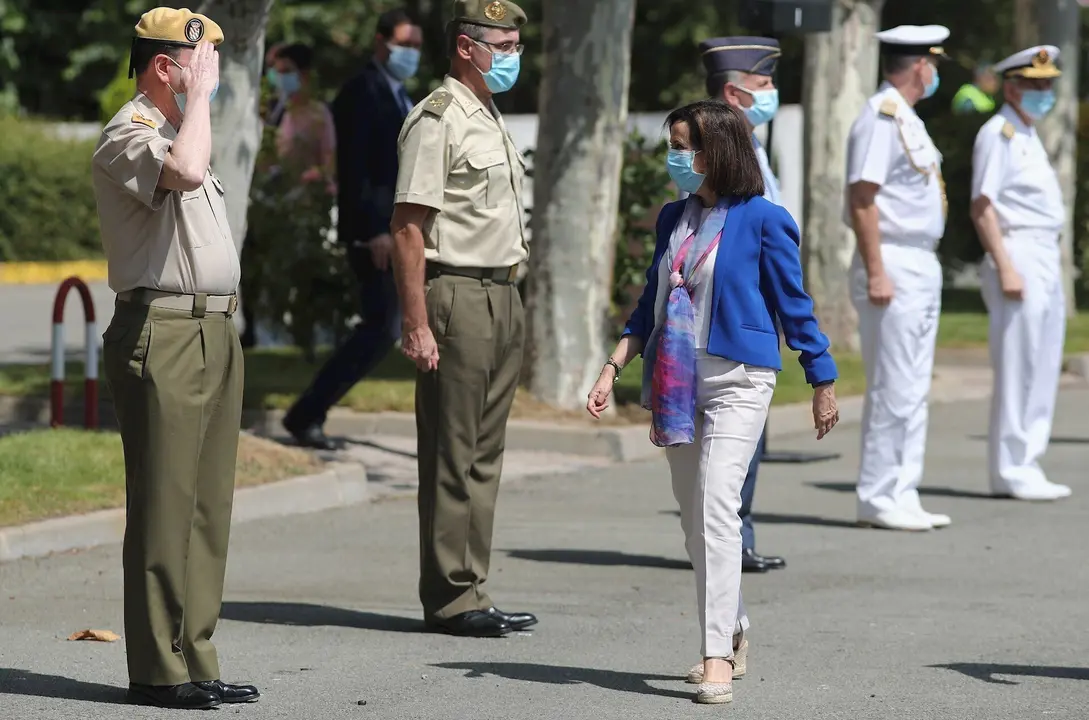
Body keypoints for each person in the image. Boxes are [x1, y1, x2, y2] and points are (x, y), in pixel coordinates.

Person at [587, 100, 839, 705]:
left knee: (717, 510)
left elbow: (793, 305)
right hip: (677, 384)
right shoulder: (673, 216)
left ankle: (715, 655)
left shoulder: (763, 219)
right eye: (673, 143)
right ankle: (735, 623)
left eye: (684, 146)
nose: (675, 156)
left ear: (717, 152)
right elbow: (650, 300)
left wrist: (822, 378)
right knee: (695, 522)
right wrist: (613, 365)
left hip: (739, 380)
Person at [91, 7, 258, 709]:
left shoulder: (173, 129)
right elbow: (186, 173)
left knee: (206, 511)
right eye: (203, 64)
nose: (212, 80)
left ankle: (198, 658)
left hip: (214, 333)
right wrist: (199, 102)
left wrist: (194, 106)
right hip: (163, 332)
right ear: (167, 66)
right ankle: (158, 670)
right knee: (165, 509)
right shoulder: (129, 136)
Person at [391, 0, 535, 638]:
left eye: (515, 45)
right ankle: (450, 597)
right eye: (501, 45)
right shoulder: (438, 118)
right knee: (454, 454)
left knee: (485, 455)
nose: (512, 56)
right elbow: (407, 229)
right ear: (465, 48)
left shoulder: (488, 114)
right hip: (459, 295)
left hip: (503, 293)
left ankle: (474, 587)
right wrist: (417, 323)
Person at [283, 9, 423, 449]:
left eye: (417, 46)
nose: (411, 54)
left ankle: (307, 413)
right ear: (380, 42)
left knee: (393, 325)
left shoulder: (399, 92)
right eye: (404, 44)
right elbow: (358, 169)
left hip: (400, 231)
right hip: (376, 234)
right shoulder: (362, 92)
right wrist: (372, 230)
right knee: (381, 327)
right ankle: (306, 414)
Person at [845, 25, 952, 532]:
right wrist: (876, 270)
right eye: (933, 64)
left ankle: (902, 489)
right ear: (919, 66)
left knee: (912, 386)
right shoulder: (880, 117)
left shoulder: (905, 118)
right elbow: (862, 197)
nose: (934, 74)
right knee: (893, 385)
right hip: (891, 261)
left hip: (917, 261)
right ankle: (877, 493)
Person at [699, 35, 787, 574]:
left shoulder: (754, 148)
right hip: (730, 314)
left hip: (756, 309)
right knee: (732, 434)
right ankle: (730, 537)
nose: (773, 92)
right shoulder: (720, 158)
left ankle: (739, 535)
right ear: (734, 93)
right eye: (764, 84)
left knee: (749, 433)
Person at [970, 46, 1071, 502]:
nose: (1044, 93)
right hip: (1018, 251)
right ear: (1012, 88)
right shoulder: (1000, 133)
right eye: (1036, 85)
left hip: (1044, 253)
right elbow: (983, 205)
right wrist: (1005, 265)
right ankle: (1011, 467)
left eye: (1048, 85)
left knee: (1044, 361)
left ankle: (1028, 460)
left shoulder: (1027, 134)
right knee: (1019, 364)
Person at [272, 43, 336, 184]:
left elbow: (329, 162)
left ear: (304, 74)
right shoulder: (276, 111)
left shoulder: (319, 115)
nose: (280, 78)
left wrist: (316, 174)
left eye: (286, 71)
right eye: (278, 72)